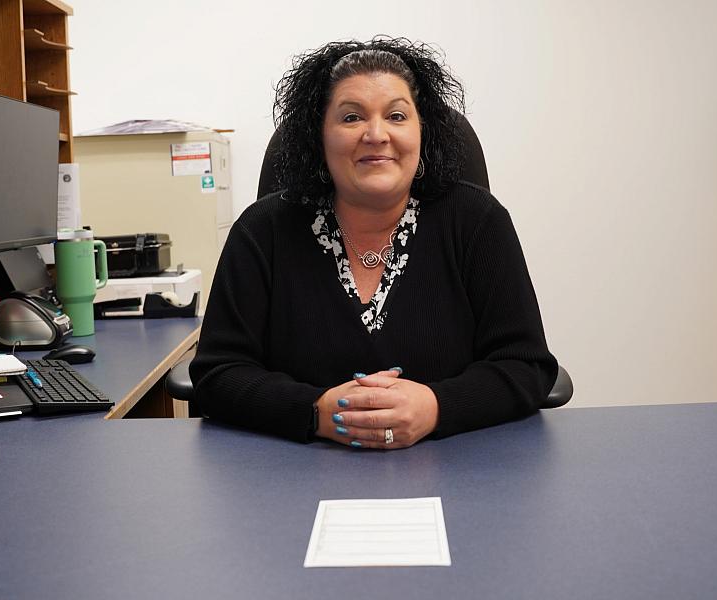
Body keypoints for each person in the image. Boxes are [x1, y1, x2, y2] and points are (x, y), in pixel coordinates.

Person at [191, 38, 557, 449]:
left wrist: (436, 406)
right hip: (292, 479)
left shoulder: (478, 222)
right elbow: (216, 374)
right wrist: (315, 410)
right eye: (351, 118)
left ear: (422, 132)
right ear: (320, 137)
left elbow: (527, 366)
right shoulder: (263, 231)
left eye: (397, 115)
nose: (376, 134)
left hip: (461, 475)